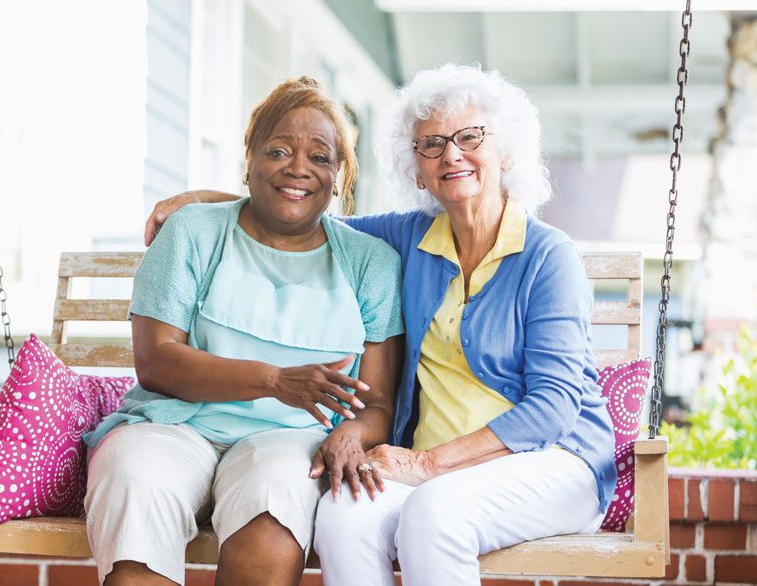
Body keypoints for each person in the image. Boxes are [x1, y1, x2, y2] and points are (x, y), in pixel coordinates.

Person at [145, 64, 617, 586]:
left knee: (436, 514)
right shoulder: (409, 237)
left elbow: (552, 408)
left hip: (550, 461)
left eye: (470, 137)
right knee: (344, 518)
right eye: (431, 144)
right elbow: (302, 207)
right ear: (417, 170)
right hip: (430, 469)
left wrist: (428, 464)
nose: (451, 154)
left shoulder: (548, 257)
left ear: (506, 153)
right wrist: (200, 202)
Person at [84, 76, 404, 586]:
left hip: (290, 440)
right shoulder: (195, 231)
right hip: (175, 426)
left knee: (275, 497)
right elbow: (158, 362)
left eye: (320, 158)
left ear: (340, 176)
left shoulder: (370, 263)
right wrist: (276, 381)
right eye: (279, 150)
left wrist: (351, 432)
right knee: (132, 475)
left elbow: (377, 404)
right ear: (250, 158)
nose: (298, 167)